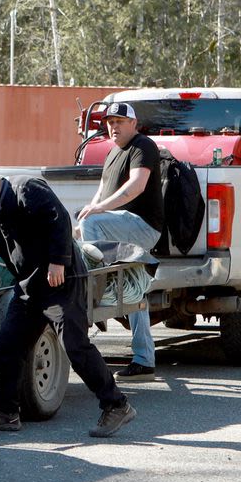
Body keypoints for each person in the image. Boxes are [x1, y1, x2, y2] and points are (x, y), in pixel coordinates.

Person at [0, 158, 135, 438]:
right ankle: (6, 413)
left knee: (75, 346)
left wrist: (58, 261)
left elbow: (58, 218)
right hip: (29, 289)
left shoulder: (26, 189)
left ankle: (116, 405)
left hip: (62, 281)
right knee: (7, 347)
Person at [76, 102, 163, 381]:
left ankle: (94, 290)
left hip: (143, 227)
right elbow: (100, 194)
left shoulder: (143, 146)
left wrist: (97, 214)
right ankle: (144, 361)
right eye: (110, 121)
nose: (113, 126)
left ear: (133, 124)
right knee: (133, 289)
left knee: (93, 221)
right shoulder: (113, 152)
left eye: (119, 121)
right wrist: (86, 217)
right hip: (121, 228)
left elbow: (136, 186)